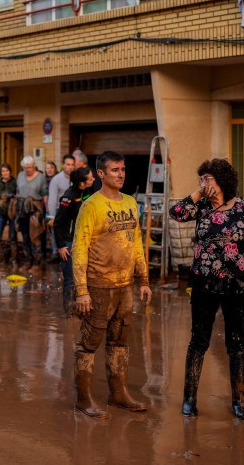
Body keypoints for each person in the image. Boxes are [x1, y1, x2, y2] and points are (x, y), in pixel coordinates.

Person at [170, 158, 244, 419]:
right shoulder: (201, 206)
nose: (203, 184)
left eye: (208, 179)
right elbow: (176, 213)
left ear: (223, 181)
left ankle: (238, 400)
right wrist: (197, 193)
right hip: (204, 282)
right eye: (201, 179)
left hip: (237, 284)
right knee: (198, 341)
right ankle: (189, 399)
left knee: (237, 343)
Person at [71, 151, 151, 419]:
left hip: (124, 285)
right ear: (101, 174)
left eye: (123, 169)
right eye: (115, 170)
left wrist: (144, 280)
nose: (121, 174)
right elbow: (79, 249)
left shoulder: (130, 202)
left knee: (120, 341)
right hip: (98, 285)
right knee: (89, 342)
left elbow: (136, 243)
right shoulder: (91, 206)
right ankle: (83, 399)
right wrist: (82, 291)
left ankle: (118, 394)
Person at [53, 166, 96, 315]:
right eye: (91, 178)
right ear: (82, 183)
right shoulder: (68, 197)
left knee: (84, 275)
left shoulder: (86, 192)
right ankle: (69, 312)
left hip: (83, 240)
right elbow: (57, 223)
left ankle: (81, 309)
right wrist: (60, 246)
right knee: (70, 278)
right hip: (68, 243)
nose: (94, 179)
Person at [16, 156, 48, 266]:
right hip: (22, 209)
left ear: (33, 166)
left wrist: (46, 211)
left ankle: (37, 263)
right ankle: (27, 260)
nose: (27, 169)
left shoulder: (40, 177)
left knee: (35, 236)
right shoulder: (20, 175)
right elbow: (18, 192)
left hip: (35, 209)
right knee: (25, 236)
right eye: (25, 167)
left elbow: (44, 194)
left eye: (29, 167)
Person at [47, 154, 76, 261]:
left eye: (73, 164)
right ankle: (57, 254)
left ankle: (70, 255)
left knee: (71, 235)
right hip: (60, 212)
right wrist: (52, 216)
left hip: (74, 213)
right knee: (58, 233)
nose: (71, 167)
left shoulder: (77, 178)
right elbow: (52, 199)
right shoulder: (56, 179)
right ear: (63, 165)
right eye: (68, 164)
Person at [0, 164, 17, 264]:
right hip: (1, 214)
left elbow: (18, 195)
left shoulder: (15, 183)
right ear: (1, 173)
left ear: (10, 171)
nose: (5, 173)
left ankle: (14, 260)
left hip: (12, 214)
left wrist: (12, 196)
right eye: (3, 171)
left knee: (12, 237)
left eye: (7, 171)